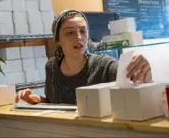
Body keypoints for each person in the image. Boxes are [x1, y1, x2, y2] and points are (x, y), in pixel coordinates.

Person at [15, 10, 152, 104]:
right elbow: (54, 103)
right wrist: (38, 99)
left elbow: (139, 86)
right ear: (58, 39)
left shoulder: (104, 66)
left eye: (83, 31)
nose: (79, 37)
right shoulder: (52, 67)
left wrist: (144, 72)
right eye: (70, 33)